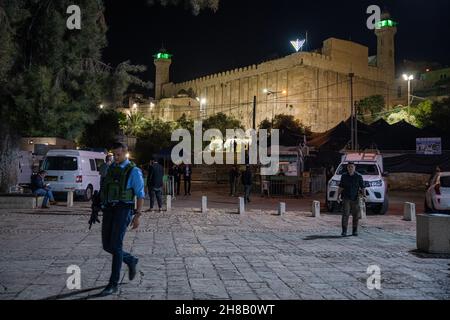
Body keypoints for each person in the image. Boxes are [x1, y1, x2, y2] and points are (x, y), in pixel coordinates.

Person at [99, 143, 145, 297]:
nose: (115, 157)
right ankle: (130, 260)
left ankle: (113, 284)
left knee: (116, 245)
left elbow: (140, 194)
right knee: (107, 245)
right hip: (109, 209)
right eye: (114, 154)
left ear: (125, 153)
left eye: (118, 155)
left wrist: (137, 215)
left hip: (123, 210)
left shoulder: (134, 171)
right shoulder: (111, 169)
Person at [337, 162, 365, 237]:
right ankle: (344, 231)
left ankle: (354, 230)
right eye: (349, 167)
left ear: (354, 167)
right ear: (347, 168)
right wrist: (338, 195)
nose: (350, 168)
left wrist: (364, 196)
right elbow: (341, 186)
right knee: (345, 214)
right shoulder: (344, 176)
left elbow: (362, 187)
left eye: (352, 167)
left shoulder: (358, 176)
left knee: (356, 215)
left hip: (355, 198)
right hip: (346, 198)